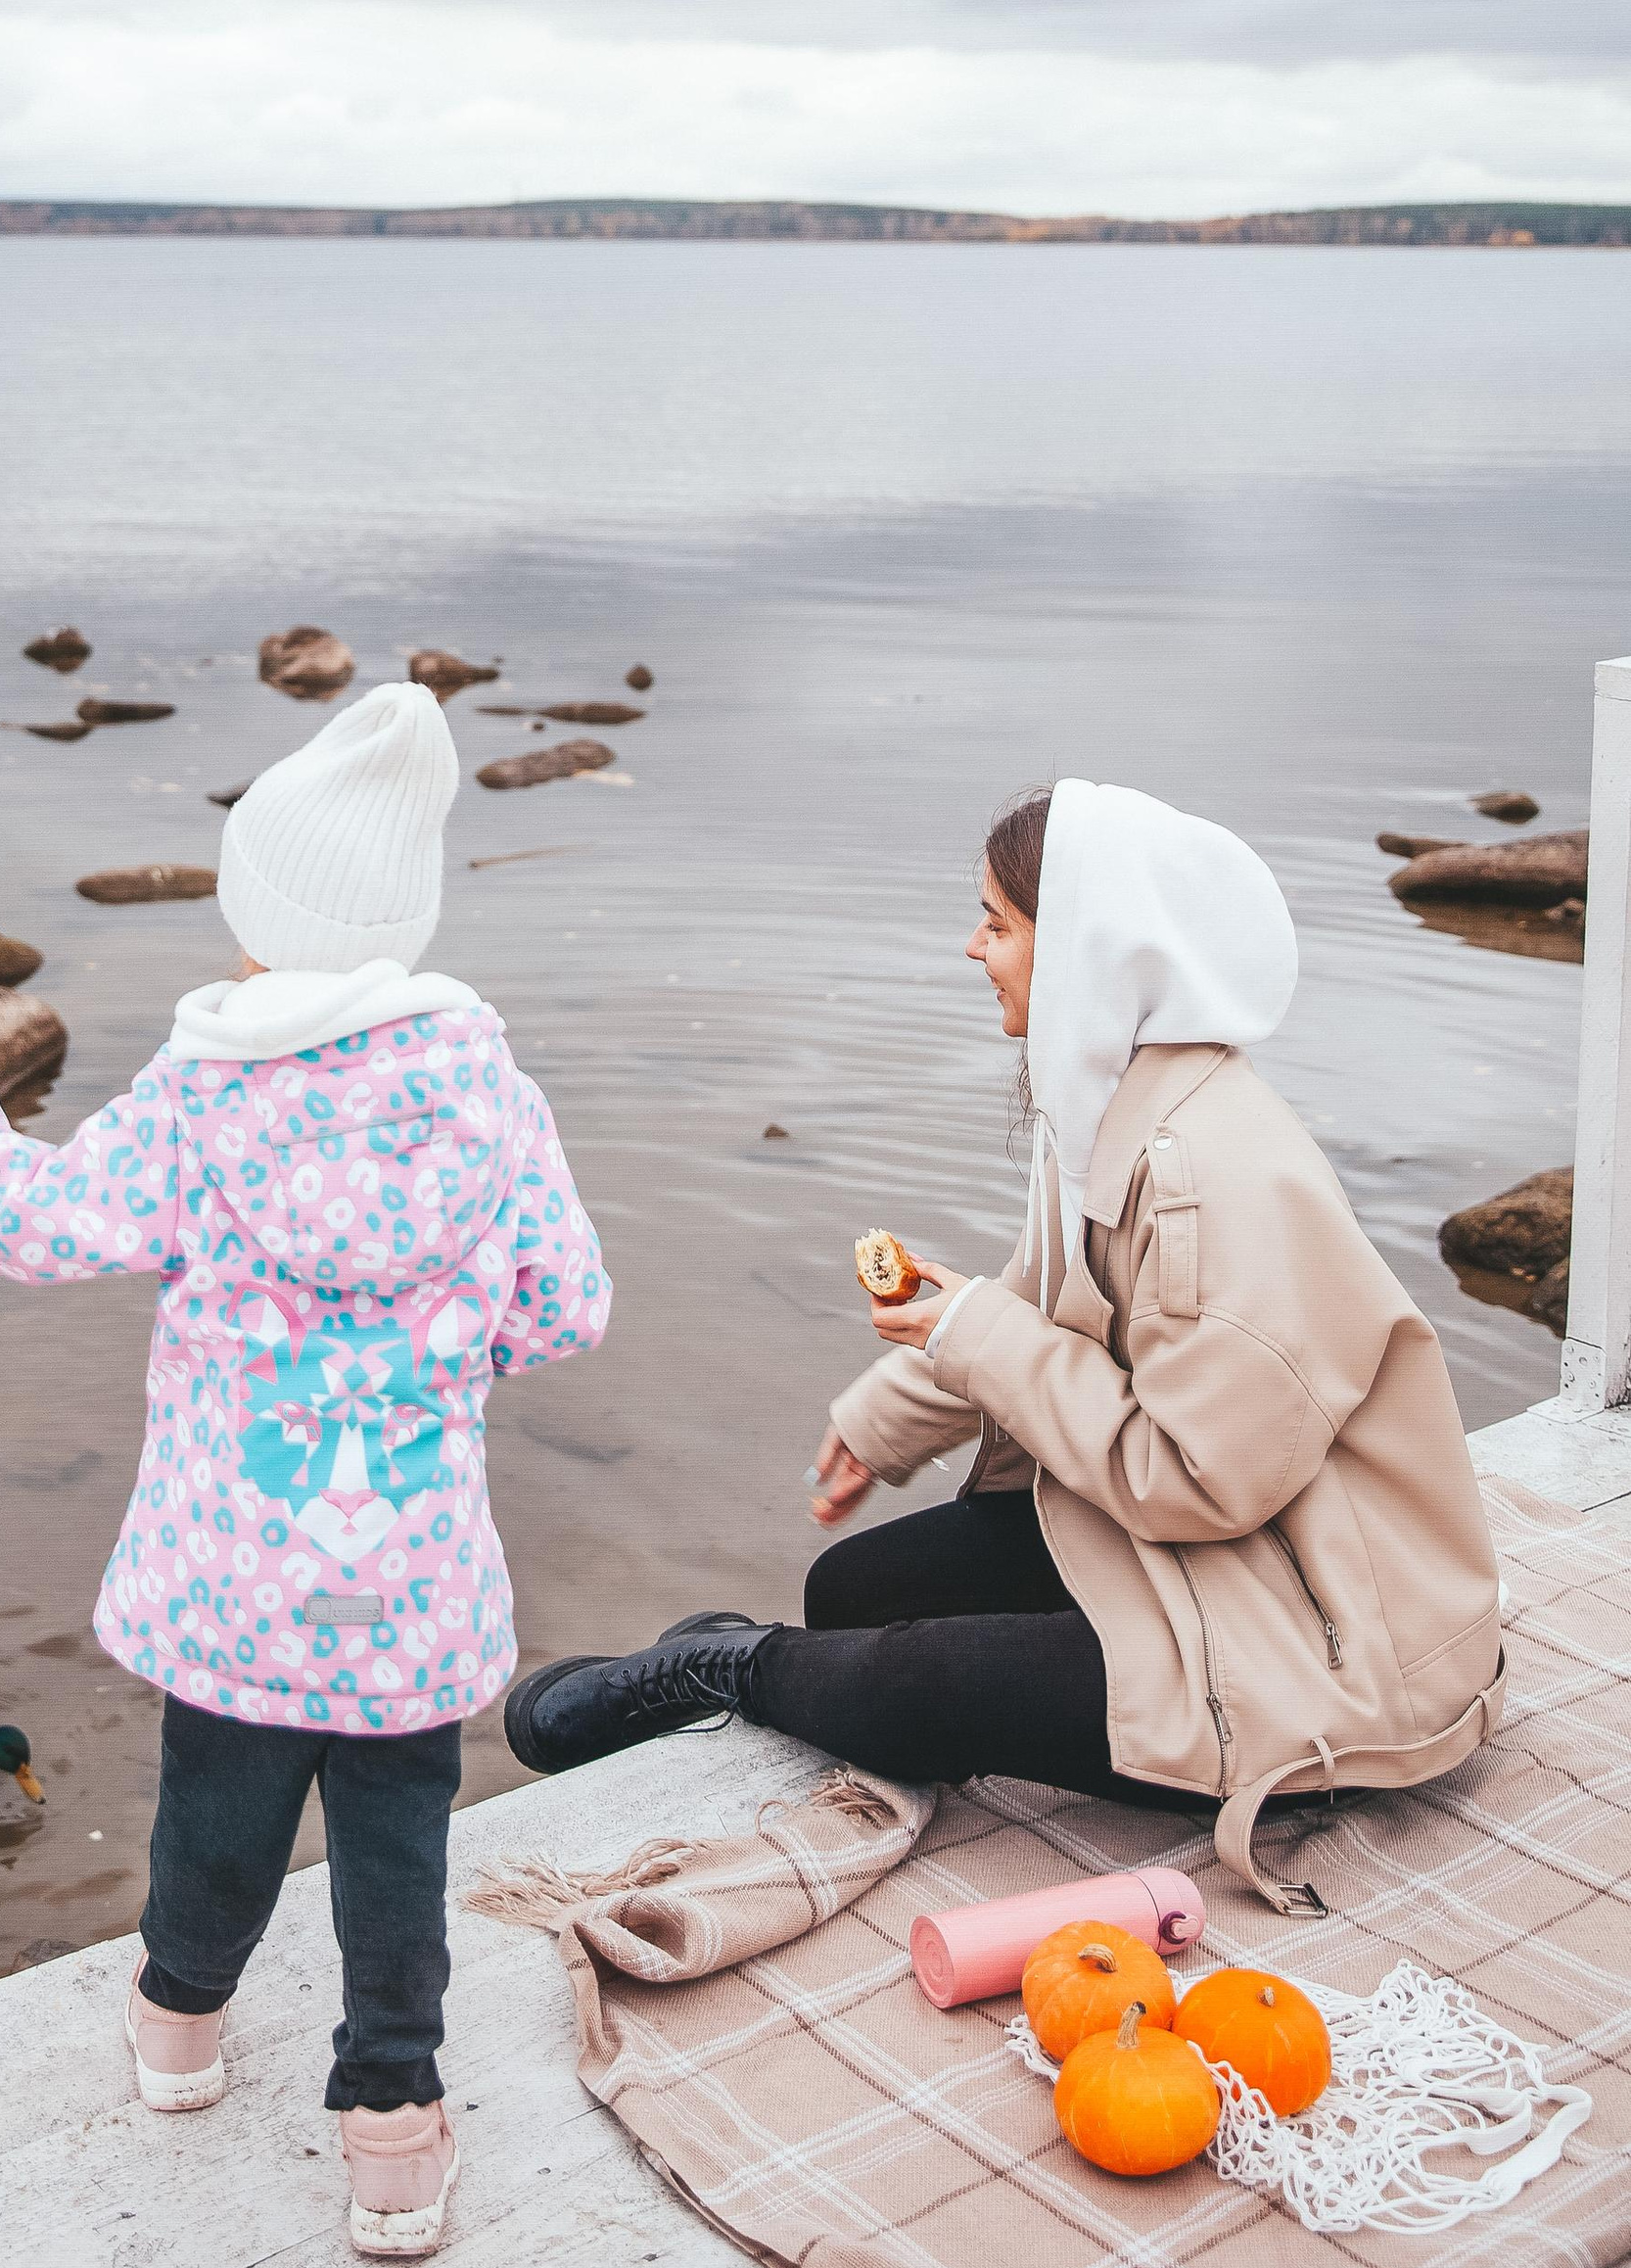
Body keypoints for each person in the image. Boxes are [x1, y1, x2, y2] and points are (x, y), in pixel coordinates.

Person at [0, 679, 608, 2257]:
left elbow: (35, 1226)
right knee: (398, 1859)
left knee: (214, 1824)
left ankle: (179, 2038)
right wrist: (445, 1336)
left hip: (239, 1584)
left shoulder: (205, 1100)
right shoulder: (490, 1094)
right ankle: (394, 2134)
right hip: (405, 1586)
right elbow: (566, 1311)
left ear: (256, 913)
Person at [501, 779, 1503, 1911]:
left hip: (1331, 1647)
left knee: (916, 1683)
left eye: (998, 921)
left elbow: (1193, 1484)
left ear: (1088, 946)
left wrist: (974, 1332)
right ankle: (772, 1648)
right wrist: (890, 1415)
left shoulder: (1212, 1178)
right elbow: (1044, 1298)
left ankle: (715, 1666)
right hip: (1233, 1550)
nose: (970, 946)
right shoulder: (1114, 1101)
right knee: (851, 1591)